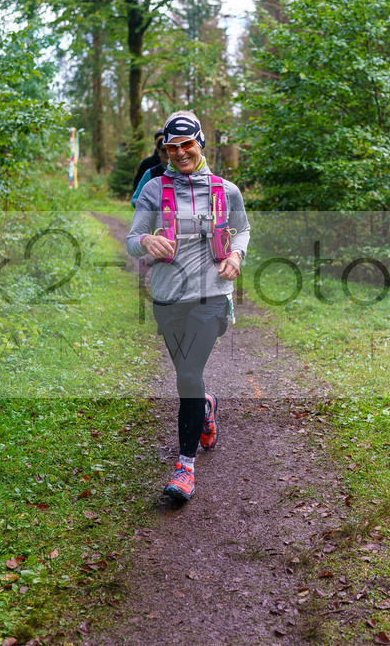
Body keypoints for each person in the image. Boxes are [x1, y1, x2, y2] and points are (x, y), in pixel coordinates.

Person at [126, 111, 250, 502]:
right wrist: (146, 241)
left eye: (186, 145)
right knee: (189, 378)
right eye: (171, 147)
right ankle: (206, 406)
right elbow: (132, 239)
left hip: (211, 295)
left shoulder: (226, 190)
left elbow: (242, 229)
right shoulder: (153, 189)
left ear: (200, 144)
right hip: (168, 298)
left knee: (188, 375)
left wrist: (237, 255)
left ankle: (185, 469)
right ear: (164, 149)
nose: (179, 153)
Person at [130, 143, 170, 207]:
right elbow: (135, 198)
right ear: (158, 152)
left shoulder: (182, 172)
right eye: (163, 150)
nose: (167, 153)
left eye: (170, 149)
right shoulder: (150, 173)